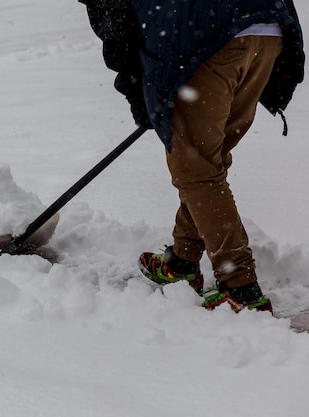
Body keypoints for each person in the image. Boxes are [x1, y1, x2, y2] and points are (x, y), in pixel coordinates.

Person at [79, 0, 304, 312]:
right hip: (266, 26)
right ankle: (183, 260)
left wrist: (137, 94)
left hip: (206, 32)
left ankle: (240, 286)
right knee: (208, 160)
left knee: (195, 169)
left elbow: (121, 35)